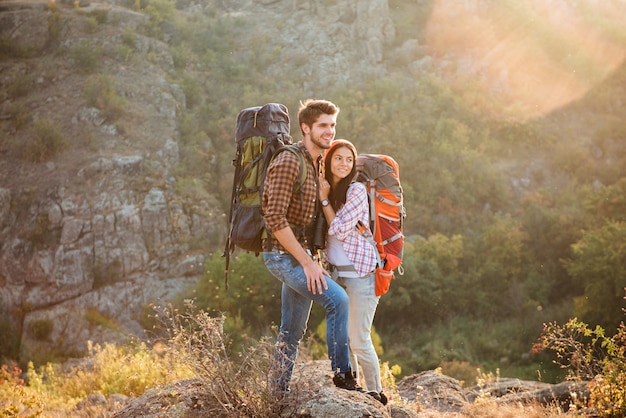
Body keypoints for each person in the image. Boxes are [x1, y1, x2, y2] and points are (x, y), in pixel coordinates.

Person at [262, 99, 361, 393]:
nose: (329, 131)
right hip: (282, 256)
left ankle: (276, 393)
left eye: (332, 125)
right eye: (323, 126)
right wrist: (307, 263)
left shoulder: (317, 161)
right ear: (306, 128)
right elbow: (274, 218)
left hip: (302, 256)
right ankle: (343, 377)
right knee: (338, 301)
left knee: (292, 331)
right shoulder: (289, 160)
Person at [318, 139, 388, 405]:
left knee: (358, 338)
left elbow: (337, 229)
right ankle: (354, 387)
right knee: (345, 336)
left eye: (349, 159)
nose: (344, 164)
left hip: (362, 274)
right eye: (338, 158)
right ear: (329, 161)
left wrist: (323, 199)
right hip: (338, 275)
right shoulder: (329, 189)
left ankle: (377, 394)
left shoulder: (356, 190)